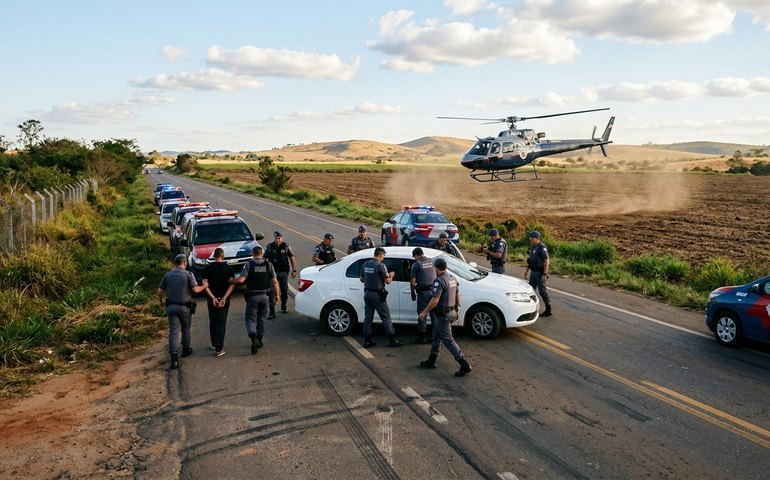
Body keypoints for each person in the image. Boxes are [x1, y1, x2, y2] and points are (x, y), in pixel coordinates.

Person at [418, 257, 472, 376]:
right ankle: (432, 359)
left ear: (436, 268)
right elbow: (458, 295)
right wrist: (457, 308)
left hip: (443, 315)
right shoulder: (452, 278)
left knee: (448, 340)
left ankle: (464, 363)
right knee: (436, 337)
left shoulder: (440, 281)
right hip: (451, 312)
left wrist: (424, 312)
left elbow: (435, 300)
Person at [157, 254, 208, 369]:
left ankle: (174, 358)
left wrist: (160, 302)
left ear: (174, 264)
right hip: (185, 307)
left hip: (171, 307)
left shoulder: (167, 275)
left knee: (173, 331)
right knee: (185, 328)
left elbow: (160, 291)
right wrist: (204, 286)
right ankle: (186, 349)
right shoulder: (188, 274)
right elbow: (196, 289)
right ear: (185, 263)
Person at [231, 246, 280, 354]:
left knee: (250, 318)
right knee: (261, 318)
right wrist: (277, 295)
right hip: (265, 296)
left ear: (253, 254)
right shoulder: (269, 264)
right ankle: (260, 340)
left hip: (253, 296)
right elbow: (275, 282)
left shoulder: (249, 264)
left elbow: (241, 280)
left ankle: (253, 337)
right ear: (262, 253)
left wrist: (231, 281)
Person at [359, 247, 403, 348]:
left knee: (368, 318)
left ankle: (367, 340)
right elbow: (387, 281)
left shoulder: (366, 264)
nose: (383, 257)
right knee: (385, 316)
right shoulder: (380, 265)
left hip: (367, 294)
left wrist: (371, 280)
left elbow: (361, 279)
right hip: (378, 295)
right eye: (383, 255)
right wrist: (391, 274)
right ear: (380, 255)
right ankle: (392, 340)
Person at [202, 248, 235, 357]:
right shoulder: (228, 269)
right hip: (224, 299)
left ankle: (213, 343)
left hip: (212, 300)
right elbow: (232, 284)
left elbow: (205, 285)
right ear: (223, 256)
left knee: (213, 321)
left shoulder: (207, 269)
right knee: (221, 323)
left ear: (214, 256)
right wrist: (224, 298)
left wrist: (213, 298)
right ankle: (219, 348)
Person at [265, 231, 297, 317]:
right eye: (276, 238)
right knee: (271, 291)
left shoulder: (286, 246)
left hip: (283, 272)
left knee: (284, 290)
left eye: (279, 238)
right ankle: (272, 311)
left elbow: (292, 257)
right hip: (272, 273)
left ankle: (283, 306)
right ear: (274, 238)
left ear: (282, 238)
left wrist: (294, 270)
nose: (278, 240)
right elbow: (264, 258)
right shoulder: (270, 246)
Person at [410, 247, 437, 344]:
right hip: (434, 291)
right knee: (434, 314)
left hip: (424, 293)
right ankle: (436, 337)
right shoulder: (432, 261)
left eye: (414, 257)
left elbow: (413, 281)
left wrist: (412, 292)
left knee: (422, 314)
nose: (414, 259)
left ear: (417, 255)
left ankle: (422, 337)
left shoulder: (416, 264)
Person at [524, 230, 552, 317]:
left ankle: (548, 310)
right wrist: (526, 271)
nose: (530, 239)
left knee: (542, 292)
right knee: (530, 291)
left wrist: (544, 274)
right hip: (533, 272)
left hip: (540, 273)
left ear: (537, 238)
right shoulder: (533, 247)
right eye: (530, 238)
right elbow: (530, 261)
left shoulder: (541, 247)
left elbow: (547, 261)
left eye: (532, 238)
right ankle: (530, 309)